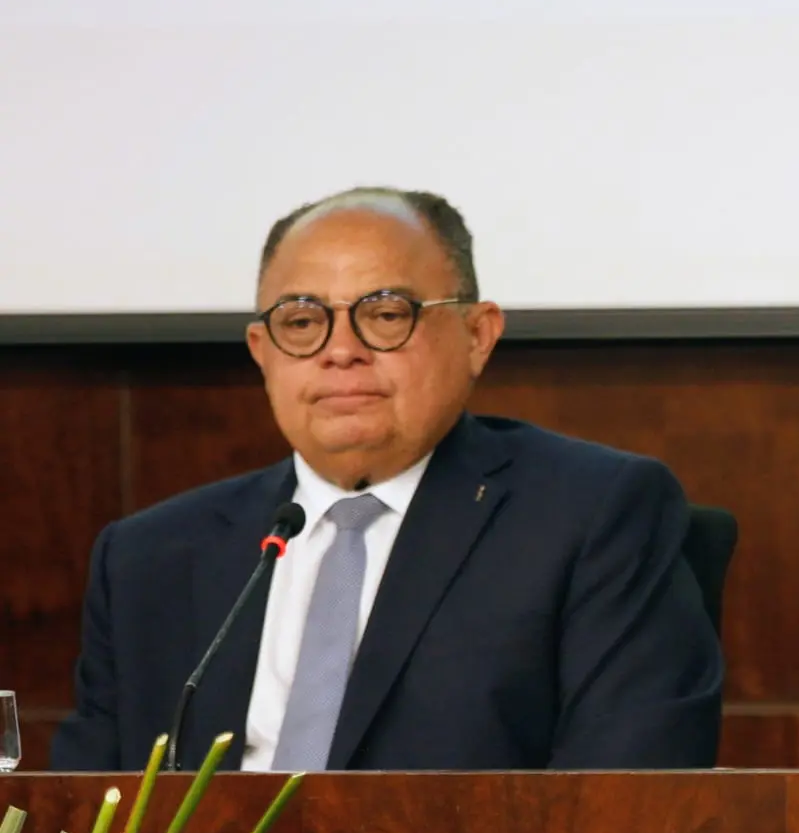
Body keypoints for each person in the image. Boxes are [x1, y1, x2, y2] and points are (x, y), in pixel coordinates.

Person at [53, 187, 723, 771]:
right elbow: (79, 830)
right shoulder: (149, 559)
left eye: (385, 313)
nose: (340, 350)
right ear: (263, 352)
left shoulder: (589, 517)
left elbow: (624, 810)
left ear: (477, 334)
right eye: (302, 321)